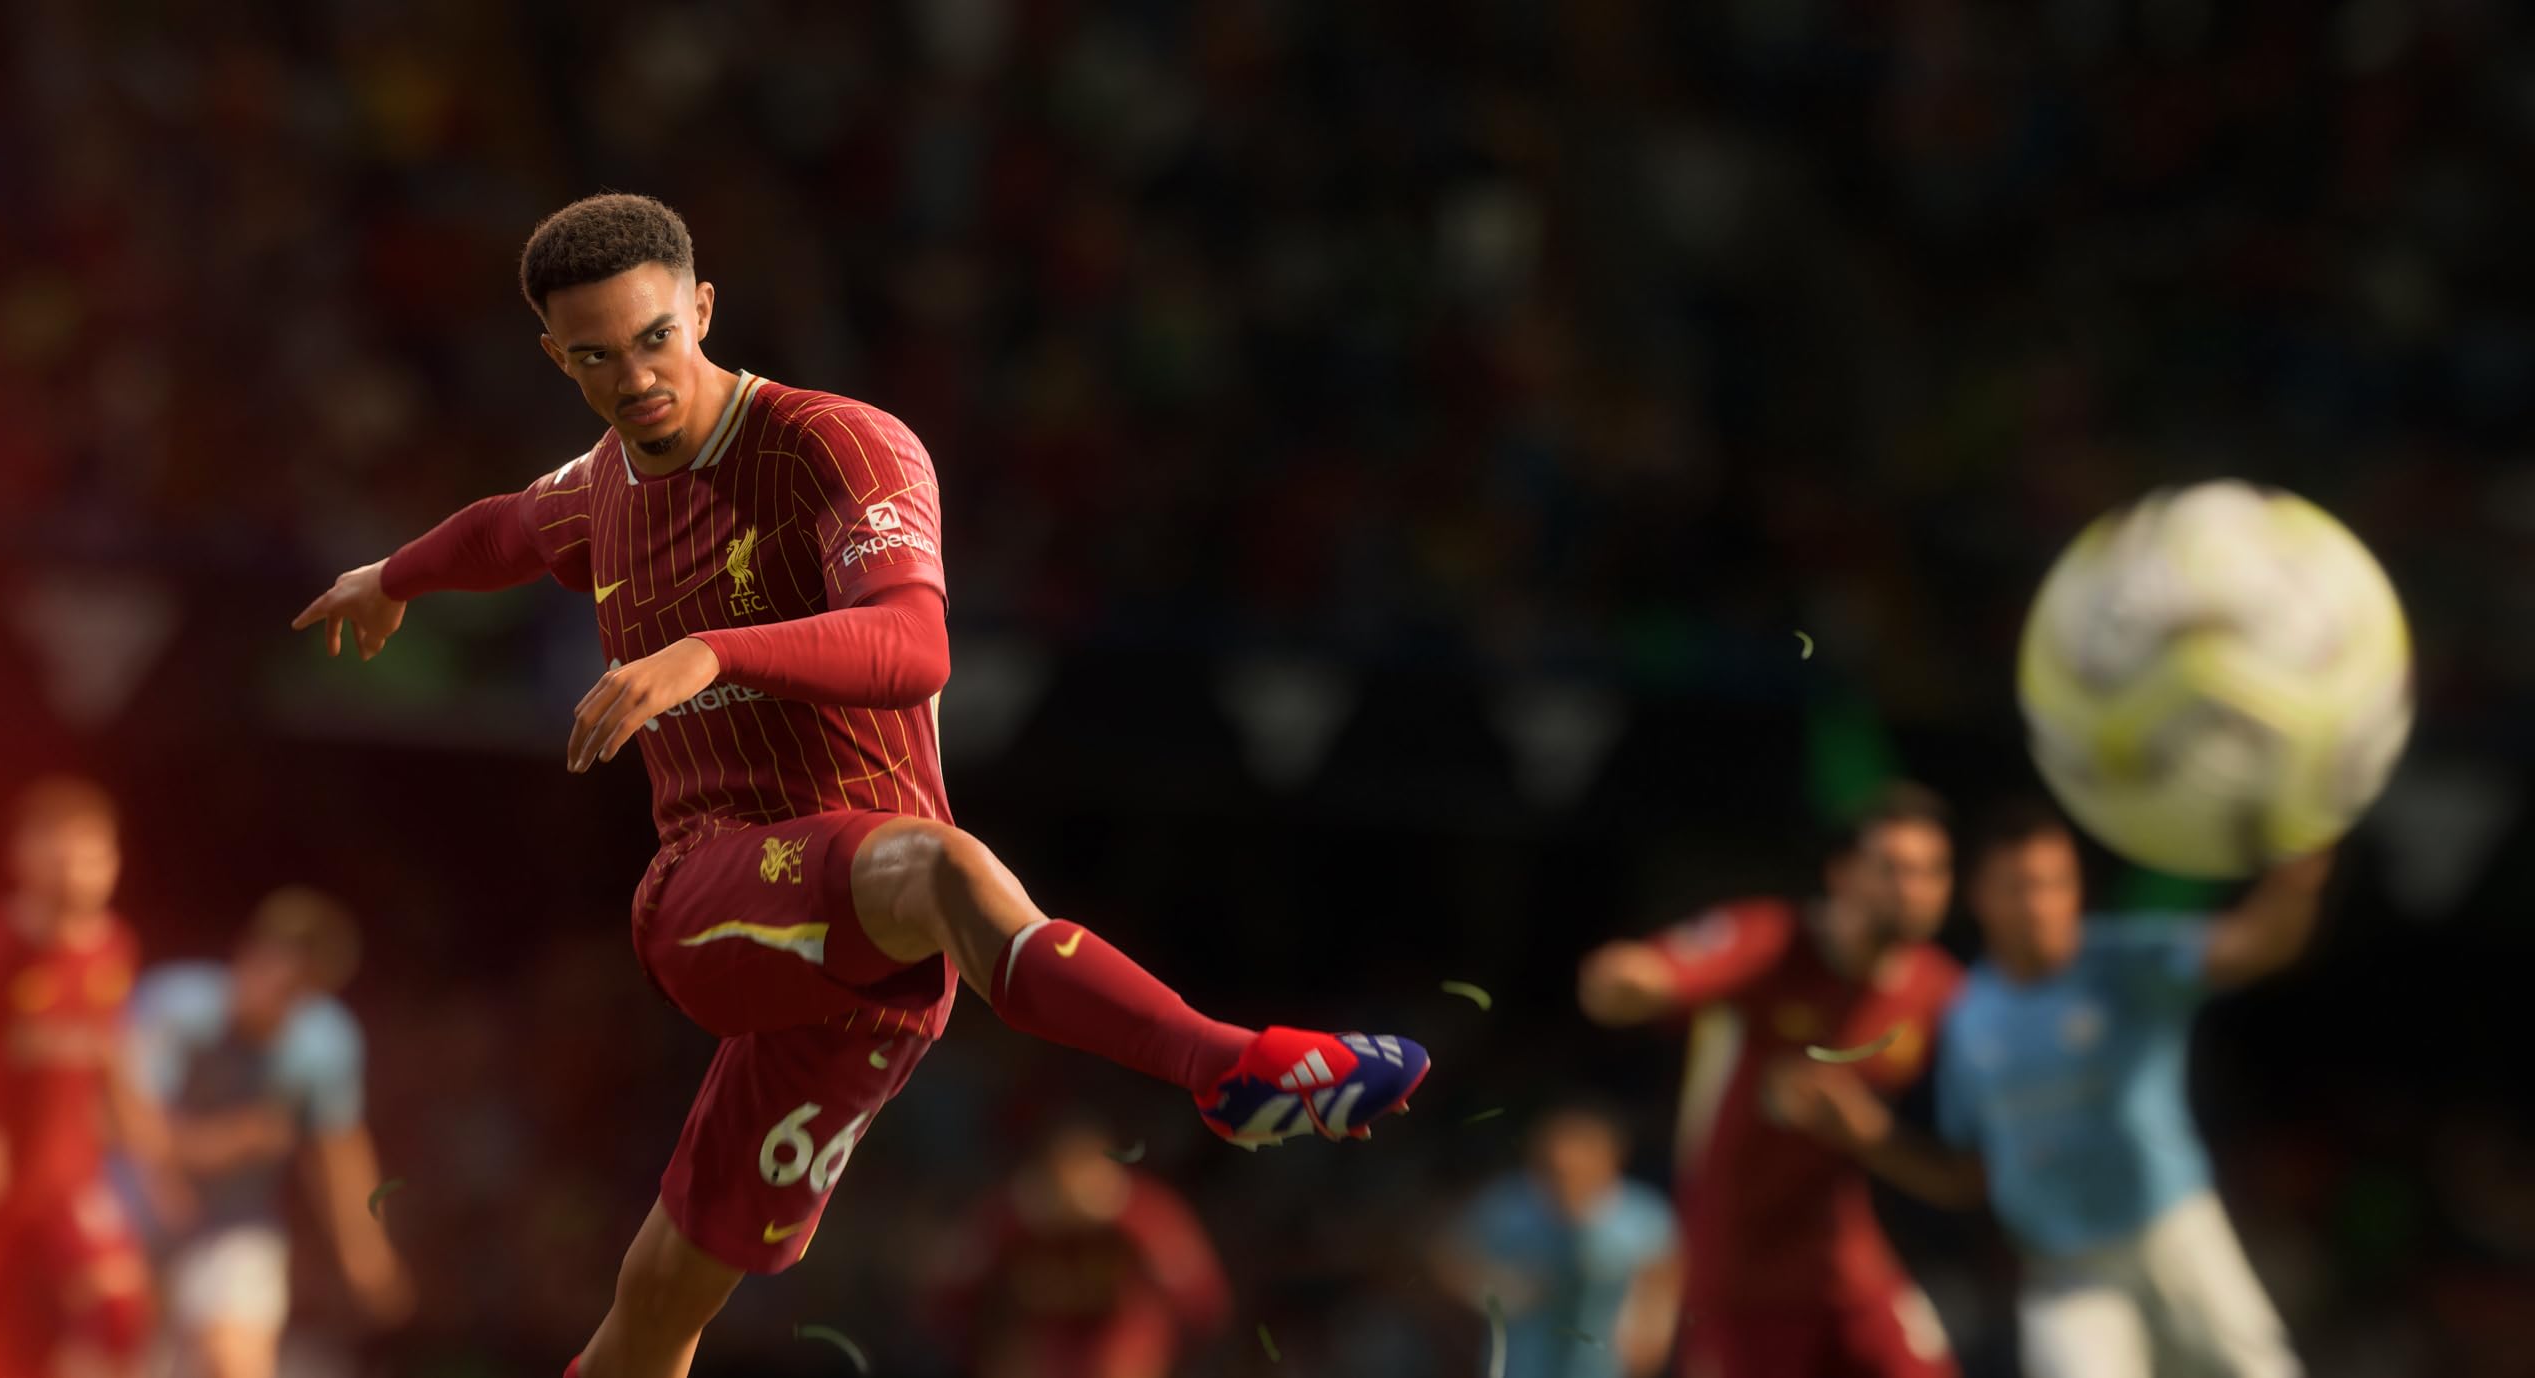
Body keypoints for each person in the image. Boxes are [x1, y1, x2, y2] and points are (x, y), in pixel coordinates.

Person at [288, 192, 1428, 1378]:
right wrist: (392, 576)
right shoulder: (598, 490)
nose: (635, 378)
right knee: (938, 866)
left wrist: (709, 652)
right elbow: (505, 531)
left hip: (877, 984)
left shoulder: (837, 445)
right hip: (712, 888)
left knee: (659, 1307)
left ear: (702, 309)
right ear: (555, 357)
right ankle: (1226, 1065)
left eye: (655, 338)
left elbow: (915, 644)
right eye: (595, 357)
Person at [1767, 801, 2330, 1378]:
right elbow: (1966, 1176)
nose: (2038, 904)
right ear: (1980, 896)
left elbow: (2253, 946)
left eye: (2053, 883)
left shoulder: (2123, 964)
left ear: (2076, 888)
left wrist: (2296, 878)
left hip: (2174, 1237)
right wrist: (1868, 1135)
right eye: (2017, 887)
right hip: (2066, 1274)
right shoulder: (1964, 1014)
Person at [1577, 782, 1964, 1378]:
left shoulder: (1940, 992)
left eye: (1931, 871)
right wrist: (1628, 980)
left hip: (1851, 1269)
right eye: (1893, 869)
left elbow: (1962, 1172)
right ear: (1841, 874)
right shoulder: (1770, 940)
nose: (1913, 890)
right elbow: (1651, 976)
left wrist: (1866, 1132)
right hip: (1740, 1282)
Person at [126, 885, 414, 1378]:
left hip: (235, 1228)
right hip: (132, 1212)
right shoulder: (172, 1004)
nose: (274, 989)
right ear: (247, 951)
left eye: (297, 986)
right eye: (270, 967)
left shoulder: (326, 1043)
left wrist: (366, 1254)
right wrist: (213, 1148)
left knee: (235, 1364)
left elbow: (337, 1149)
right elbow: (123, 1110)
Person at [0, 776, 176, 1378]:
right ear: (23, 857)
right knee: (2, 1341)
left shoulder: (113, 946)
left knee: (119, 1309)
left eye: (92, 859)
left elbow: (110, 1053)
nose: (77, 876)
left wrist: (152, 1156)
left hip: (69, 1178)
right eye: (61, 858)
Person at [924, 1118, 1230, 1378]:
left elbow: (1200, 1298)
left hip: (1119, 1347)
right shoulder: (1009, 1219)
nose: (1075, 1191)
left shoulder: (1145, 1217)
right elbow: (949, 1297)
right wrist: (978, 1351)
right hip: (1039, 1347)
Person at [1433, 1101, 1682, 1378]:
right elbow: (1451, 1261)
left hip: (1603, 1367)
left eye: (1578, 1171)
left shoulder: (1643, 1219)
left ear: (1610, 1162)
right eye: (1553, 1171)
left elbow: (1663, 1287)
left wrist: (1650, 1334)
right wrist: (1500, 1291)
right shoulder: (1508, 1208)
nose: (1565, 1184)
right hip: (1521, 1365)